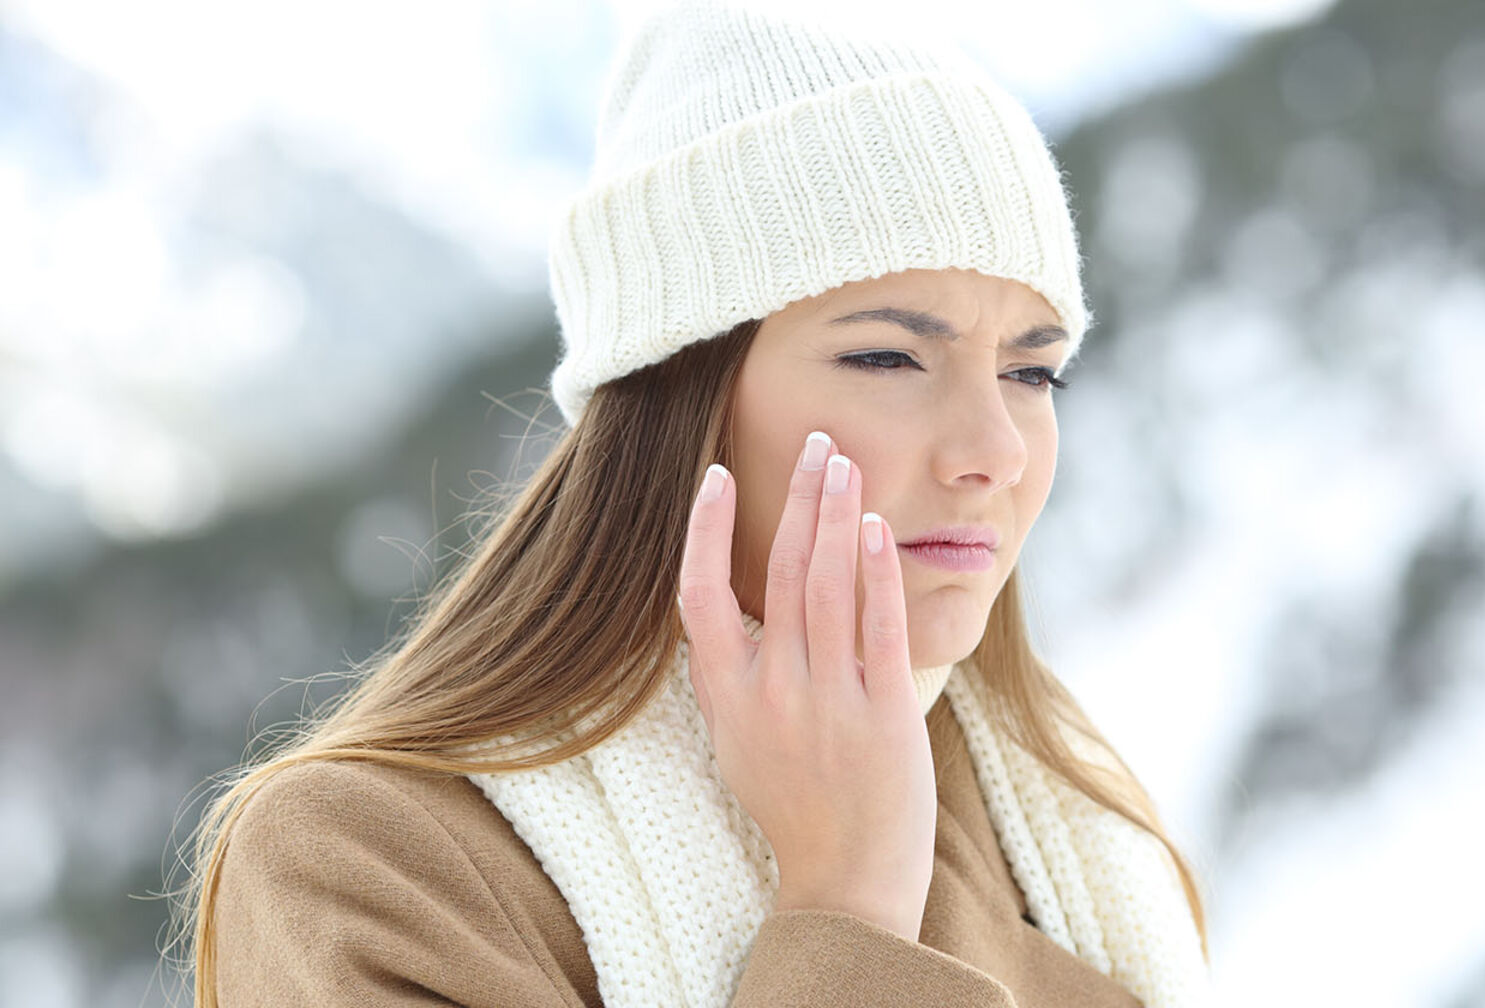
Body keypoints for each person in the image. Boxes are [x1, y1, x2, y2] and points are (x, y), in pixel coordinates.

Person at [177, 1, 1210, 1004]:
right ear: (680, 398)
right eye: (890, 357)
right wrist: (846, 910)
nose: (995, 450)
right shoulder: (372, 870)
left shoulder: (1073, 829)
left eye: (1034, 374)